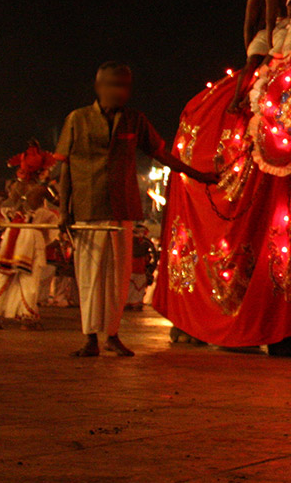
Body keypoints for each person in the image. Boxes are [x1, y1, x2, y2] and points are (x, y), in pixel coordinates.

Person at [54, 62, 214, 357]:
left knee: (118, 276)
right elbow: (65, 168)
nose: (121, 91)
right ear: (99, 86)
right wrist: (64, 211)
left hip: (122, 208)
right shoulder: (77, 119)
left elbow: (161, 154)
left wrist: (198, 175)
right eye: (115, 84)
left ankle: (112, 334)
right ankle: (90, 337)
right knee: (89, 276)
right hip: (87, 209)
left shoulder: (135, 121)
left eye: (126, 86)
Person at [0, 176, 60, 329]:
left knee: (4, 277)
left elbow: (5, 207)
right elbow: (60, 203)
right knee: (29, 279)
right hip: (30, 237)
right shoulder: (43, 188)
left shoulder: (15, 187)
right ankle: (27, 317)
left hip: (12, 234)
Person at [232, 0, 285, 106]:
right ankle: (236, 99)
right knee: (252, 62)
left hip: (283, 28)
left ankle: (249, 95)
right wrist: (250, 51)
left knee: (270, 58)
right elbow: (249, 25)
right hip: (267, 32)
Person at [125, 224, 158, 310]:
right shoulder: (130, 241)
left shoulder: (146, 243)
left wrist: (150, 267)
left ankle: (137, 302)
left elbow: (153, 255)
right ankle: (129, 302)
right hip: (131, 268)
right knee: (130, 287)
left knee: (140, 287)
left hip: (141, 268)